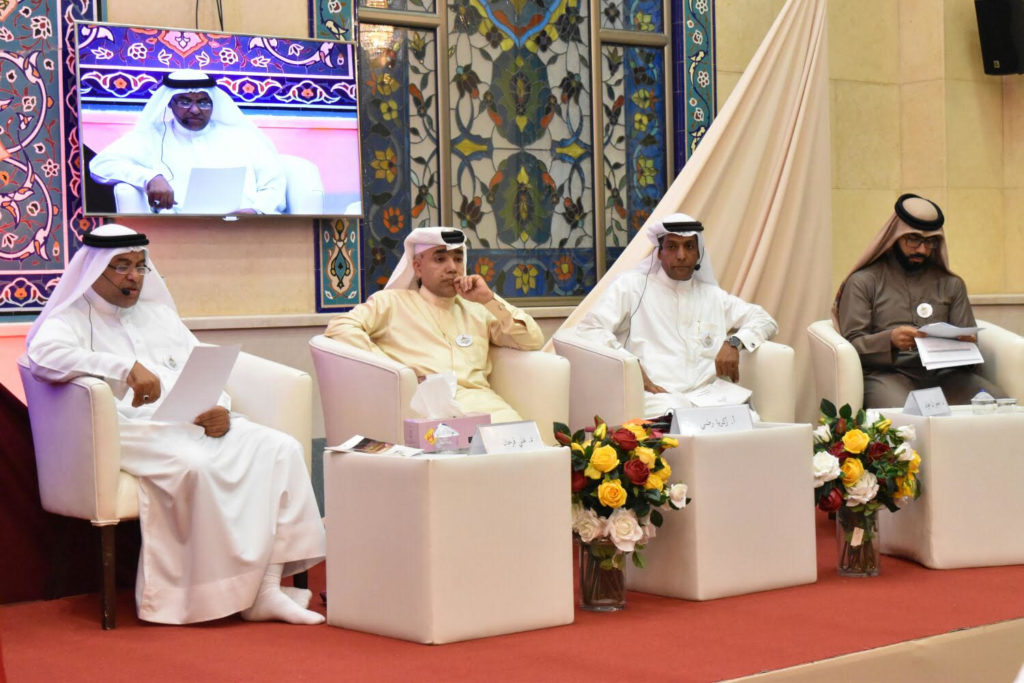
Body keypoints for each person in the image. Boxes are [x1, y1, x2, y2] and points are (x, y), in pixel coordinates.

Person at [26, 224, 325, 625]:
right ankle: (201, 594)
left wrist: (219, 407)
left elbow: (201, 367)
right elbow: (42, 357)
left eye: (140, 266)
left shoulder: (160, 316)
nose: (134, 276)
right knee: (195, 464)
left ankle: (267, 590)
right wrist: (123, 367)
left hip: (188, 421)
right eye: (121, 266)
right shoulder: (69, 319)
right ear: (94, 268)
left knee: (280, 448)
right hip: (128, 429)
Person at [324, 227, 544, 423]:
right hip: (426, 409)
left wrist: (489, 299)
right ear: (418, 267)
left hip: (484, 406)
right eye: (440, 259)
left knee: (528, 448)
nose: (452, 268)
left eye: (458, 259)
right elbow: (339, 328)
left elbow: (532, 339)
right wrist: (397, 371)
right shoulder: (390, 303)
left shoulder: (478, 309)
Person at [575, 213, 779, 418]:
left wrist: (734, 342)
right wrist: (630, 364)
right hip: (657, 396)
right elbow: (590, 328)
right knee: (676, 414)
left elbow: (765, 320)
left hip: (707, 397)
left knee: (750, 419)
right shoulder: (631, 287)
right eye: (672, 247)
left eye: (689, 246)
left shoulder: (713, 296)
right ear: (659, 253)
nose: (681, 255)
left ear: (698, 253)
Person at [835, 193, 1005, 408]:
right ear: (895, 236)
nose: (922, 249)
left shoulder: (951, 284)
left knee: (998, 405)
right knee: (908, 414)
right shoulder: (864, 282)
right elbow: (851, 344)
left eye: (930, 242)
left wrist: (966, 345)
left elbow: (970, 345)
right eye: (913, 239)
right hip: (887, 375)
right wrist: (890, 340)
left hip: (945, 376)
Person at [89, 69, 286, 215]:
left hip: (247, 228)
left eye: (203, 102)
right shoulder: (151, 137)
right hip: (180, 231)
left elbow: (274, 184)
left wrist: (256, 210)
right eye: (184, 101)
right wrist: (149, 177)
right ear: (169, 103)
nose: (195, 110)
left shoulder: (243, 137)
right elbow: (100, 165)